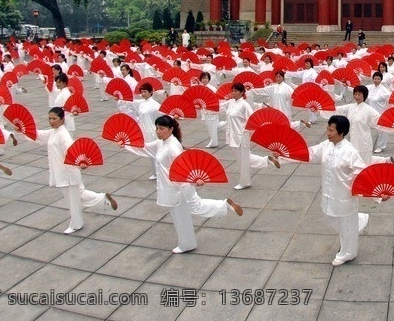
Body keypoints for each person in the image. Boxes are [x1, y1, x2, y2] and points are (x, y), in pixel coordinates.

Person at [126, 115, 243, 253]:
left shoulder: (173, 147)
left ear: (171, 129)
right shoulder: (161, 143)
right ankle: (223, 206)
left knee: (186, 213)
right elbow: (144, 148)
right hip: (172, 186)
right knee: (193, 208)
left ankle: (187, 243)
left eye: (161, 128)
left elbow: (184, 168)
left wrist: (194, 181)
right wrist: (126, 144)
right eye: (157, 128)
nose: (158, 131)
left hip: (178, 187)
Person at [23, 107, 118, 234]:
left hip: (67, 172)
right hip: (62, 171)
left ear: (62, 119)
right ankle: (102, 199)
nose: (51, 121)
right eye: (50, 118)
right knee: (79, 195)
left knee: (73, 201)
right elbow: (38, 135)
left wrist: (79, 164)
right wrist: (24, 130)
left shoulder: (63, 135)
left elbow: (71, 151)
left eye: (54, 118)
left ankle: (76, 224)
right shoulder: (53, 132)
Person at [300, 115, 370, 267]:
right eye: (327, 129)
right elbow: (310, 153)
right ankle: (358, 222)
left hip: (344, 196)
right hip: (328, 193)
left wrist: (377, 196)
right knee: (332, 217)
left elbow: (364, 175)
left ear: (341, 132)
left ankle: (348, 253)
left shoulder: (350, 152)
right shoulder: (326, 145)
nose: (328, 133)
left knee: (345, 227)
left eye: (331, 130)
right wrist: (287, 153)